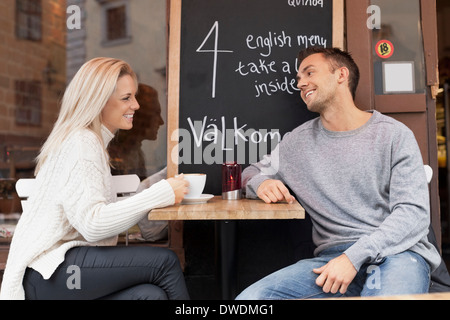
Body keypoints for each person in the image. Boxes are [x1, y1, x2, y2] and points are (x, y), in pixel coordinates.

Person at [236, 47, 442, 299]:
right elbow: (249, 173)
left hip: (396, 255)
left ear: (341, 75)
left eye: (309, 72)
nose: (300, 83)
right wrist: (260, 183)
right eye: (298, 78)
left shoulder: (393, 135)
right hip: (332, 263)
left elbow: (414, 214)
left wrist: (353, 257)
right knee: (251, 299)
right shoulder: (297, 143)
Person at [0, 57, 190, 300]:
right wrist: (160, 193)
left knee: (149, 296)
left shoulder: (90, 142)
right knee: (165, 262)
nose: (136, 105)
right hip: (51, 273)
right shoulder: (81, 143)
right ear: (99, 101)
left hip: (61, 275)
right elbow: (93, 224)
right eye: (126, 98)